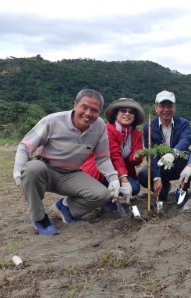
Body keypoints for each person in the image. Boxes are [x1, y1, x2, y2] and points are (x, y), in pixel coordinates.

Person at [13, 89, 121, 236]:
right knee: (32, 168)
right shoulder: (52, 121)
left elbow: (102, 157)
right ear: (75, 105)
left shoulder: (99, 126)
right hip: (45, 169)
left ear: (99, 112)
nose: (89, 113)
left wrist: (114, 179)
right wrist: (18, 178)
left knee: (102, 195)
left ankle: (65, 207)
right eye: (84, 107)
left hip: (71, 174)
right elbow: (24, 147)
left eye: (94, 110)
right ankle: (40, 218)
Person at [80, 98, 145, 204]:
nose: (127, 114)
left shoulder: (136, 134)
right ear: (116, 114)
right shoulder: (108, 130)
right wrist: (124, 180)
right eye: (123, 111)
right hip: (100, 170)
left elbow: (133, 160)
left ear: (134, 116)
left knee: (134, 188)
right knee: (120, 187)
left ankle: (111, 198)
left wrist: (136, 157)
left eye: (131, 112)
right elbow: (115, 155)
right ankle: (105, 197)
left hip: (120, 170)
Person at [138, 90, 191, 201]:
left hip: (177, 164)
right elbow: (151, 152)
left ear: (174, 107)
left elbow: (185, 140)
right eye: (162, 106)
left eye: (170, 106)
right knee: (143, 175)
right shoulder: (148, 127)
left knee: (186, 155)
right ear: (156, 108)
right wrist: (157, 177)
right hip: (160, 164)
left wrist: (173, 153)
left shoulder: (184, 123)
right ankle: (164, 187)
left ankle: (184, 190)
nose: (166, 110)